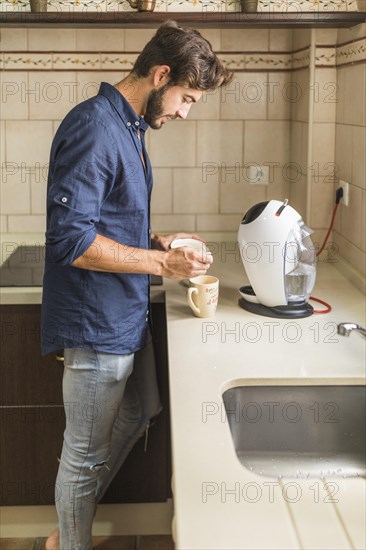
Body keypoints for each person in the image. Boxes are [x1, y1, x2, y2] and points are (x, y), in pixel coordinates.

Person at [41, 20, 233, 550]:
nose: (184, 112)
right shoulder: (93, 127)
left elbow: (105, 221)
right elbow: (72, 241)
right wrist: (161, 265)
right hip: (94, 321)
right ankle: (67, 542)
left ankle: (69, 521)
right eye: (186, 98)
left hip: (125, 312)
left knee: (141, 408)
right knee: (83, 454)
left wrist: (158, 240)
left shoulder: (128, 127)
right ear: (161, 74)